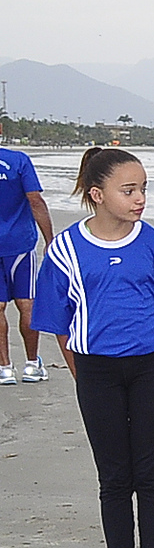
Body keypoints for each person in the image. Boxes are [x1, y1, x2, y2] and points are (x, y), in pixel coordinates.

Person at [33, 149, 154, 548]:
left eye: (143, 189)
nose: (140, 199)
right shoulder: (65, 251)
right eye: (128, 190)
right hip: (96, 372)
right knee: (114, 478)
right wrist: (84, 374)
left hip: (152, 367)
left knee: (151, 475)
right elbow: (58, 322)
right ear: (98, 195)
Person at [0, 144, 55, 385]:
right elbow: (35, 200)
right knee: (26, 302)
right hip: (19, 242)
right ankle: (32, 365)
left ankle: (5, 368)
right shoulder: (18, 160)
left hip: (15, 243)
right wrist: (49, 239)